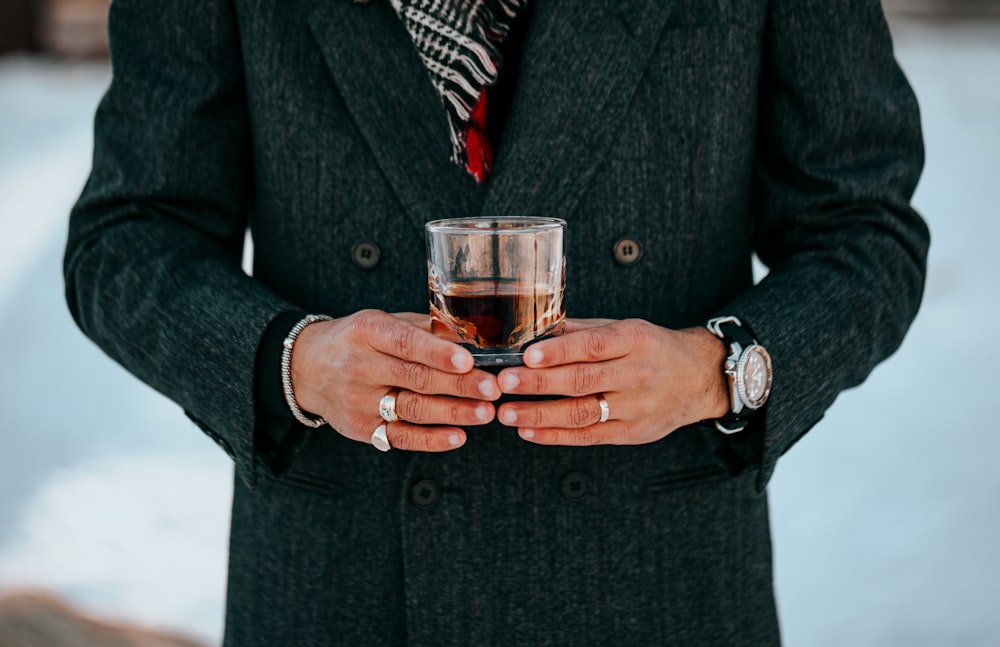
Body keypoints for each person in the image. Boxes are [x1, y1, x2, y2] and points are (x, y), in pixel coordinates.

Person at [64, 0, 929, 645]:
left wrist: (717, 368)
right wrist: (292, 364)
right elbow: (130, 235)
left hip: (656, 584)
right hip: (343, 586)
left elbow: (863, 228)